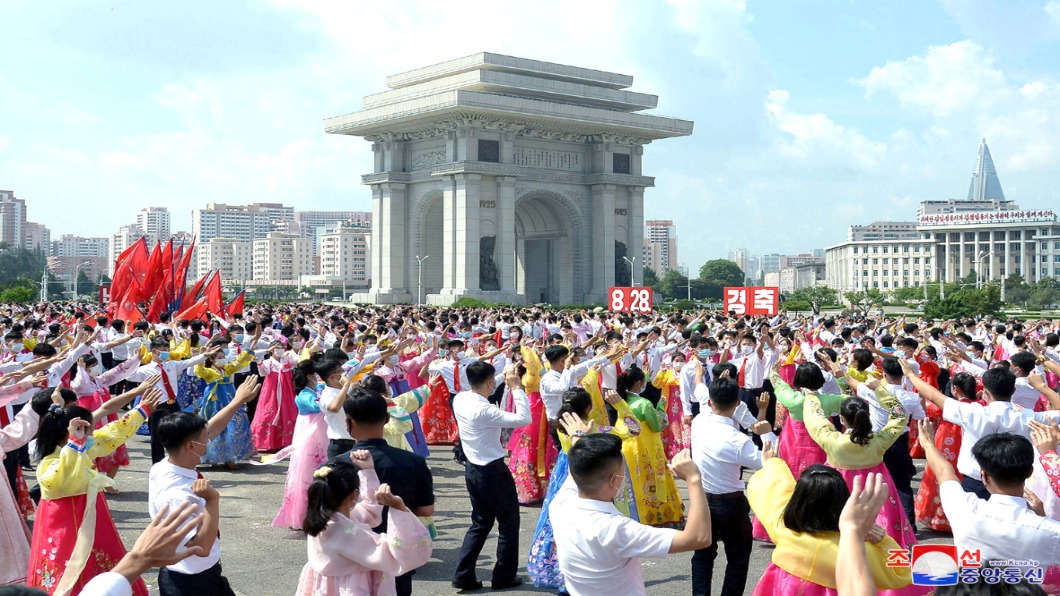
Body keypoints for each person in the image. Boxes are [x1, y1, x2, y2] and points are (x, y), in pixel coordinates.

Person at [27, 389, 163, 595]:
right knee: (68, 569)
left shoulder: (82, 449)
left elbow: (110, 433)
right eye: (87, 431)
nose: (91, 436)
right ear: (69, 432)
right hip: (65, 529)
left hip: (93, 519)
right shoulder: (50, 462)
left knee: (99, 561)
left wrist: (142, 411)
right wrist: (75, 443)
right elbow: (61, 479)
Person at [548, 435, 710, 596]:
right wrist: (693, 479)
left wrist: (580, 441)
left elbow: (573, 472)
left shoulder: (560, 505)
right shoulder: (616, 529)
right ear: (614, 481)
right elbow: (698, 538)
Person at [149, 376, 261, 595]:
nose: (210, 438)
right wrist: (212, 500)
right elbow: (201, 547)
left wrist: (237, 401)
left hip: (199, 573)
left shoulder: (166, 464)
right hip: (190, 581)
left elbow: (212, 428)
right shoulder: (178, 493)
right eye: (205, 437)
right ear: (191, 445)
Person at [920, 419, 1060, 592]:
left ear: (984, 476)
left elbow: (943, 471)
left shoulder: (964, 508)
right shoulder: (1051, 531)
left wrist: (928, 444)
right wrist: (1042, 517)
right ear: (1029, 472)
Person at [747, 452, 913, 594]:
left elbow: (774, 489)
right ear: (843, 502)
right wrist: (883, 541)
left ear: (797, 500)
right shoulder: (857, 551)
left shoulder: (782, 528)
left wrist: (772, 463)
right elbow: (902, 572)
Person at [527, 384, 639, 591]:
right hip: (590, 475)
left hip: (564, 473)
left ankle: (559, 569)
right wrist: (621, 405)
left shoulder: (561, 425)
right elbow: (633, 430)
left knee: (561, 522)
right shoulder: (594, 428)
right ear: (588, 408)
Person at [341, 386, 436, 596]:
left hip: (350, 556)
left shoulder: (335, 465)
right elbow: (426, 510)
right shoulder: (414, 462)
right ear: (386, 419)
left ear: (348, 422)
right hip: (396, 553)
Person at [803, 377, 916, 549]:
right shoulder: (878, 441)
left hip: (839, 488)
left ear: (841, 418)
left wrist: (811, 397)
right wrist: (880, 389)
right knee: (879, 532)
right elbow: (899, 415)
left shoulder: (832, 440)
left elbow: (815, 418)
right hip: (875, 488)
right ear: (867, 415)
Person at [294, 454, 432, 595]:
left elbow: (369, 510)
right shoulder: (349, 533)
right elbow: (396, 551)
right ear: (354, 495)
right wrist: (399, 508)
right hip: (351, 588)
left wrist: (368, 471)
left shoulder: (323, 521)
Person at [689, 375, 774, 596]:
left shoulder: (699, 423)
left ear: (709, 403)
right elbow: (769, 460)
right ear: (737, 403)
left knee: (703, 554)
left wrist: (700, 377)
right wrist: (768, 434)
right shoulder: (737, 439)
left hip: (703, 499)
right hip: (730, 502)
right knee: (737, 558)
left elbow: (700, 391)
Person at [451, 360, 530, 591]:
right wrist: (516, 388)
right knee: (508, 523)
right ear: (489, 381)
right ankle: (503, 576)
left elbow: (485, 388)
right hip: (492, 471)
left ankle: (463, 575)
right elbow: (525, 418)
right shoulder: (485, 410)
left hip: (473, 469)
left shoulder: (461, 398)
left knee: (480, 523)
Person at [124, 337, 218, 463]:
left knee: (180, 434)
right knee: (157, 439)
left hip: (173, 405)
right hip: (157, 406)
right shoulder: (145, 369)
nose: (166, 352)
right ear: (154, 351)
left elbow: (190, 362)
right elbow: (130, 376)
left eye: (168, 349)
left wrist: (205, 355)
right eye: (163, 350)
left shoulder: (172, 365)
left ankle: (179, 461)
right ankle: (157, 464)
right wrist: (134, 359)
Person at [617, 365, 684, 526]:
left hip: (628, 447)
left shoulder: (622, 400)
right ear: (639, 383)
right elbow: (658, 425)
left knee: (633, 482)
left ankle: (634, 515)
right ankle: (656, 516)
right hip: (646, 447)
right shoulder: (644, 404)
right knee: (652, 480)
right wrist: (661, 408)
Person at [914, 372, 980, 531]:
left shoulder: (949, 405)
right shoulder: (980, 407)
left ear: (955, 389)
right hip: (971, 447)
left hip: (947, 444)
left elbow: (927, 409)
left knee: (942, 476)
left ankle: (939, 518)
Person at [272, 359, 332, 529]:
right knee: (308, 475)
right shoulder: (303, 396)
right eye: (316, 373)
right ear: (309, 376)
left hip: (322, 437)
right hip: (310, 441)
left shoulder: (318, 389)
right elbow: (322, 405)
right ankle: (305, 515)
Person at [193, 338, 257, 468]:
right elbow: (199, 371)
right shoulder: (209, 372)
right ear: (212, 360)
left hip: (229, 399)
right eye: (219, 357)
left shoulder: (227, 369)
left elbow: (239, 362)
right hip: (215, 402)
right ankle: (213, 455)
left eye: (223, 357)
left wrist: (249, 348)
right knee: (215, 426)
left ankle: (230, 457)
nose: (223, 359)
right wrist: (200, 357)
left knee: (233, 426)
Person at [251, 338, 298, 451]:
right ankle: (268, 442)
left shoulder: (287, 359)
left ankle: (287, 441)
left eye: (281, 347)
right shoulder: (268, 362)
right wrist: (260, 362)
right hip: (271, 391)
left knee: (288, 411)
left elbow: (298, 360)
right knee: (269, 411)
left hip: (286, 390)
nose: (279, 350)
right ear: (271, 350)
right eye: (276, 348)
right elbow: (264, 372)